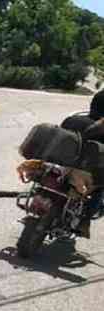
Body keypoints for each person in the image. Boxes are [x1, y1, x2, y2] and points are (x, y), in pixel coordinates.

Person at [60, 89, 104, 237]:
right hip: (87, 165)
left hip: (64, 161)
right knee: (100, 186)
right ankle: (84, 222)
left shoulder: (72, 120)